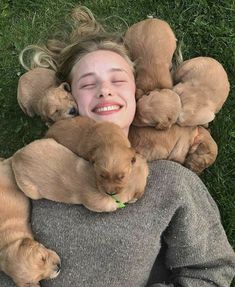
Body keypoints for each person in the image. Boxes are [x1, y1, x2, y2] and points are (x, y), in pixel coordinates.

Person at [1, 6, 235, 287]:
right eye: (88, 84)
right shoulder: (30, 165)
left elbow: (211, 270)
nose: (104, 89)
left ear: (137, 93)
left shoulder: (172, 183)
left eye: (118, 80)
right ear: (68, 98)